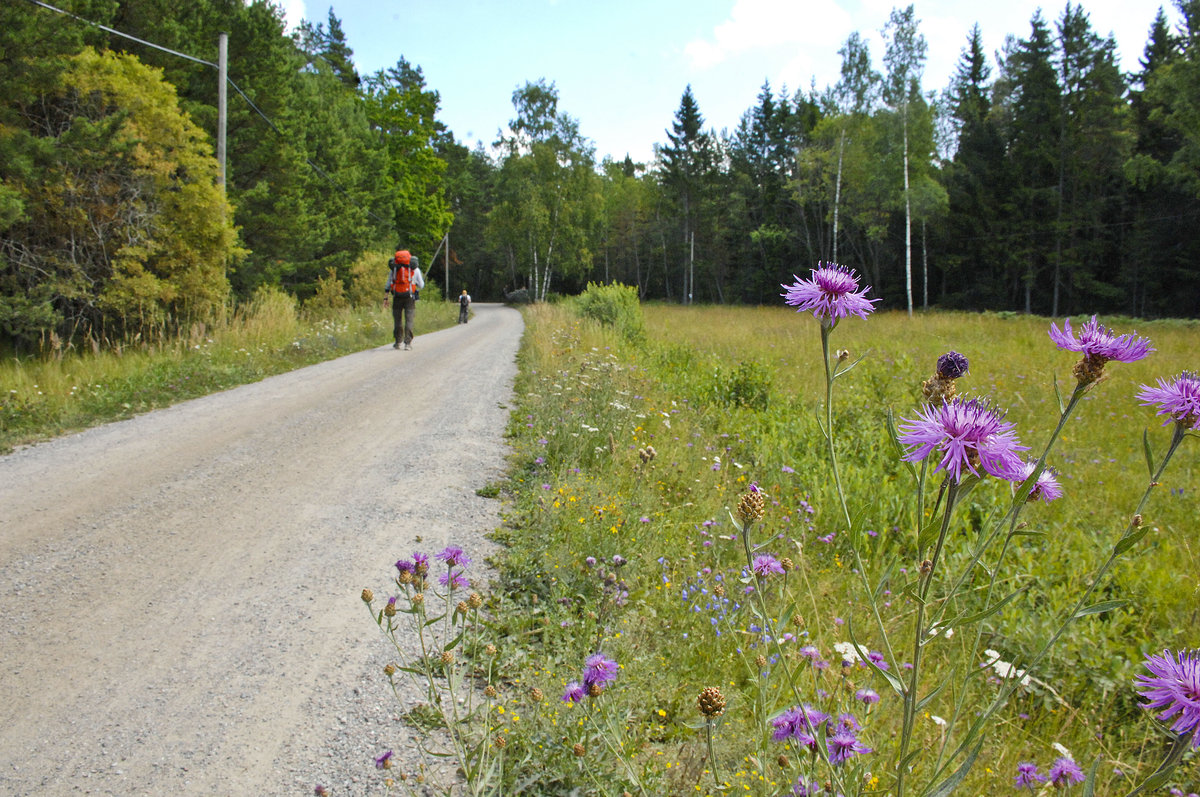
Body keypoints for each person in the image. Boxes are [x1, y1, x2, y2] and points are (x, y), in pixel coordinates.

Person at [383, 249, 424, 350]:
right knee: (409, 320)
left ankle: (397, 342)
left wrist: (385, 298)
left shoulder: (394, 269)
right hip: (410, 298)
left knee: (397, 321)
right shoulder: (415, 269)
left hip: (397, 297)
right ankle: (407, 343)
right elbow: (421, 285)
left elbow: (388, 284)